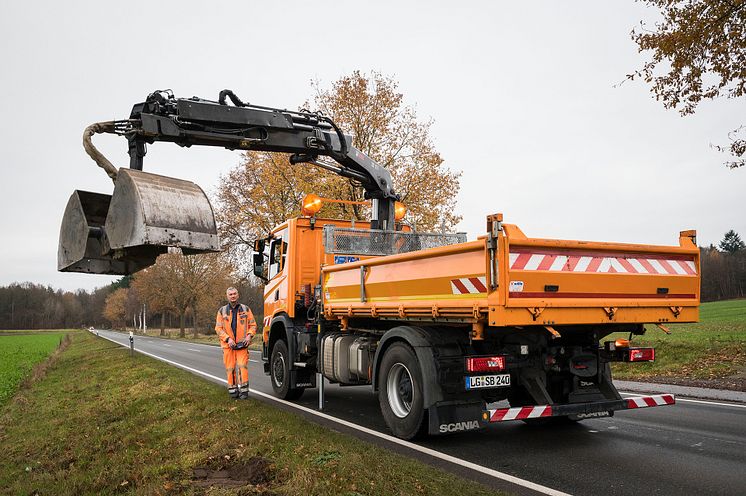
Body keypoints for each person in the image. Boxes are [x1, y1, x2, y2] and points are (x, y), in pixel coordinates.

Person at [215, 287, 257, 399]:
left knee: (242, 366)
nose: (233, 296)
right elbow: (218, 329)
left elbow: (253, 325)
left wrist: (249, 336)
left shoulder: (246, 309)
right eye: (230, 294)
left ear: (238, 295)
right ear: (227, 296)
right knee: (230, 368)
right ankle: (233, 390)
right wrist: (228, 339)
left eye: (234, 294)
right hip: (228, 345)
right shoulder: (221, 311)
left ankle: (244, 391)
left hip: (242, 345)